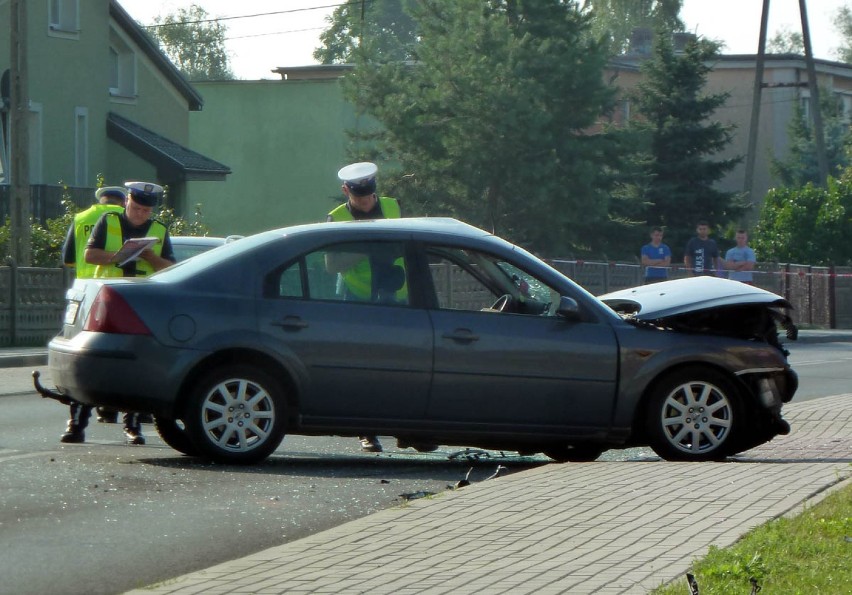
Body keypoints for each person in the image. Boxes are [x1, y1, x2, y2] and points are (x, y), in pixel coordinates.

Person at [327, 162, 435, 454]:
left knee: (402, 366)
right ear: (346, 190)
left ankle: (405, 430)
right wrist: (367, 247)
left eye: (369, 196)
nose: (366, 202)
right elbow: (332, 265)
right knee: (362, 367)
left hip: (397, 298)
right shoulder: (337, 218)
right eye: (360, 197)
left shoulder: (393, 207)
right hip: (357, 301)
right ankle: (366, 431)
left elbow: (412, 246)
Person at [77, 181, 176, 445]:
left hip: (140, 304)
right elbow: (89, 255)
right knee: (92, 360)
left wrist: (151, 259)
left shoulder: (159, 230)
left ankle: (132, 425)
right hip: (107, 301)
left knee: (136, 363)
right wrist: (118, 256)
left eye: (146, 210)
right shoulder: (108, 221)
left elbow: (172, 267)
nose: (140, 214)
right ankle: (77, 423)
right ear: (127, 202)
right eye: (136, 208)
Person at [59, 186, 131, 443]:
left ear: (99, 200)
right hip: (118, 295)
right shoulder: (125, 218)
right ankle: (127, 422)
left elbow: (68, 259)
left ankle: (76, 423)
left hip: (84, 296)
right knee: (124, 358)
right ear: (124, 200)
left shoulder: (80, 218)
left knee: (82, 360)